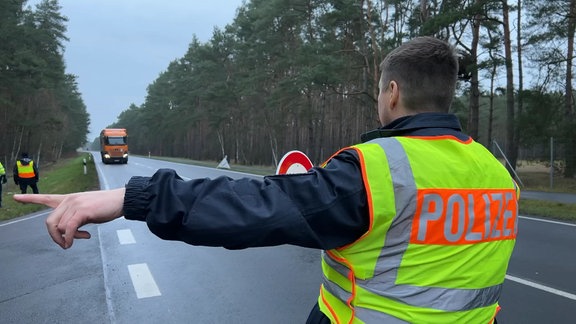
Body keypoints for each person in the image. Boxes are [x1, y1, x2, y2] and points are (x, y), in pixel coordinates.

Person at [14, 37, 518, 323]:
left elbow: (256, 205)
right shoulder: (500, 176)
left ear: (391, 92)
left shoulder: (380, 168)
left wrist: (134, 196)